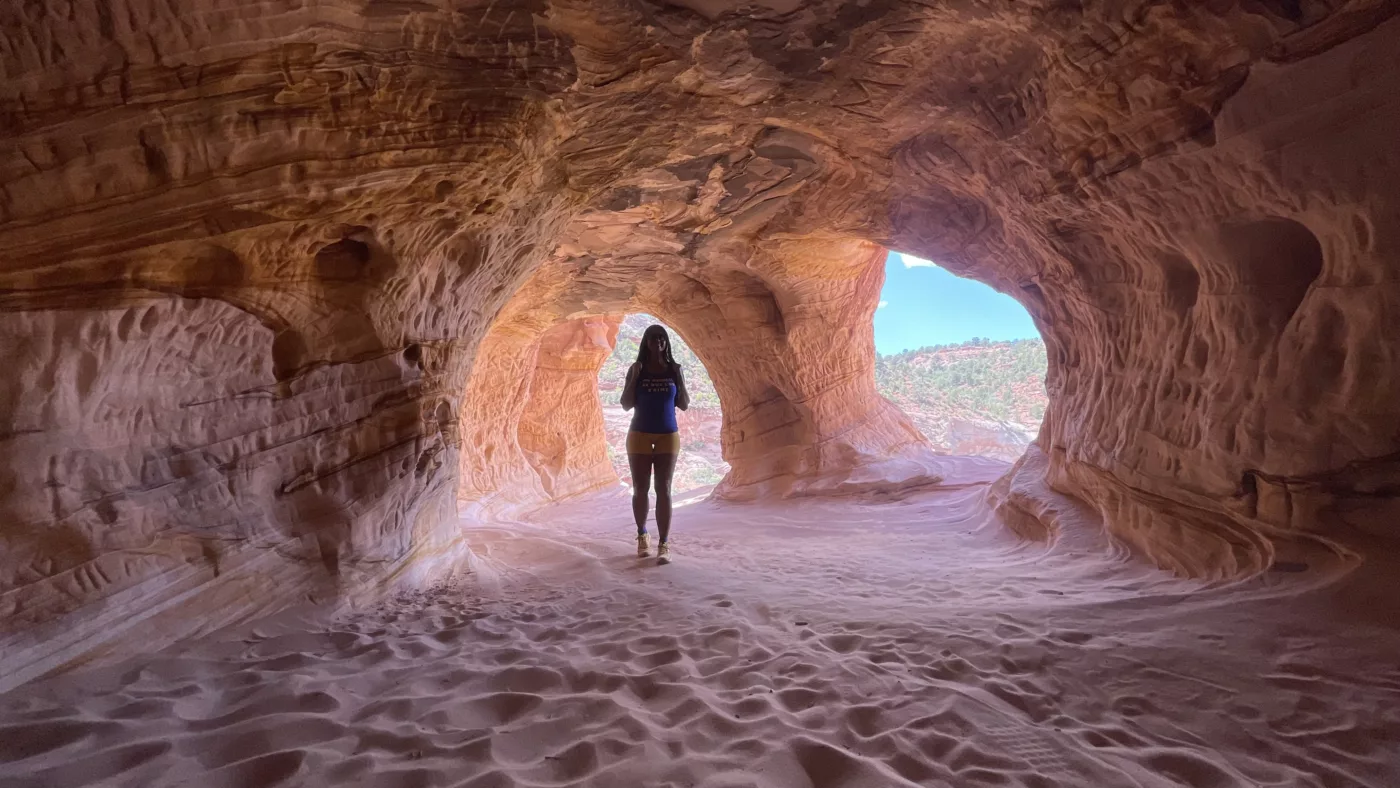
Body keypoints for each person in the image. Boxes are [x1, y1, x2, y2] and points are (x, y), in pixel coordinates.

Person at [620, 324, 690, 564]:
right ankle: (642, 535)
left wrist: (679, 378)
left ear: (666, 343)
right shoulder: (636, 368)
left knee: (665, 488)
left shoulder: (673, 369)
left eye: (661, 338)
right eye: (653, 338)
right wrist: (635, 377)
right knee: (641, 488)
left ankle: (664, 543)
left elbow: (684, 404)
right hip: (639, 432)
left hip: (667, 434)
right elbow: (626, 404)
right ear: (646, 342)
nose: (658, 342)